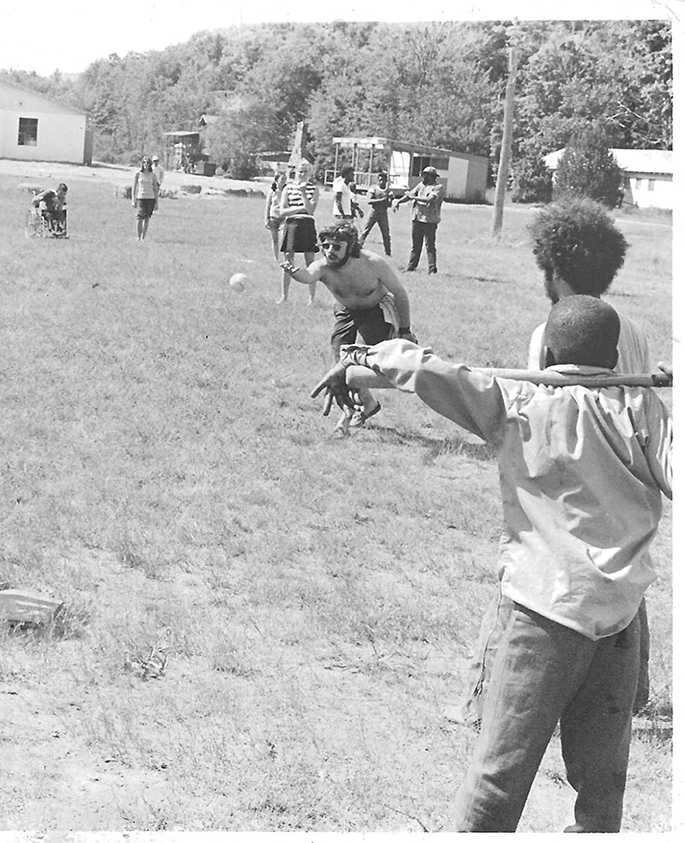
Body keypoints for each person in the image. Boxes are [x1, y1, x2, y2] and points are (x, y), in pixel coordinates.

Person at [311, 296, 671, 832]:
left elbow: (429, 368)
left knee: (499, 775)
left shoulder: (517, 400)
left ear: (546, 349)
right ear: (616, 356)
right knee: (602, 786)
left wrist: (363, 356)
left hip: (542, 617)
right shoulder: (643, 410)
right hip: (620, 618)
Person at [446, 198, 656, 729]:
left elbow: (541, 410)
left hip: (568, 476)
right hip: (625, 473)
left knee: (522, 579)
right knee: (621, 576)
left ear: (555, 269)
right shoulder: (630, 327)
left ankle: (484, 697)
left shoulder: (551, 333)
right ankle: (628, 692)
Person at [283, 222, 416, 430]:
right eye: (326, 246)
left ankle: (347, 417)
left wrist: (406, 330)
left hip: (376, 311)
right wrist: (294, 272)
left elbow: (399, 293)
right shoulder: (322, 266)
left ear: (351, 246)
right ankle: (366, 405)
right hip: (346, 312)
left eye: (337, 247)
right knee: (340, 363)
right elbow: (307, 276)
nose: (330, 251)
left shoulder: (372, 262)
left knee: (356, 362)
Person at [274, 160, 320, 305]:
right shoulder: (288, 188)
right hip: (292, 224)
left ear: (309, 173)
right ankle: (284, 296)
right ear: (296, 171)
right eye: (300, 171)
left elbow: (311, 210)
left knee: (310, 261)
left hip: (307, 224)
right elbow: (282, 211)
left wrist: (303, 193)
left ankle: (311, 298)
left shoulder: (314, 189)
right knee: (288, 260)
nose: (302, 174)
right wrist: (300, 209)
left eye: (306, 171)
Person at [393, 165, 445, 274]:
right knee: (416, 245)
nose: (422, 177)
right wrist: (399, 201)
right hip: (417, 218)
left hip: (429, 220)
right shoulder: (421, 185)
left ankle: (432, 269)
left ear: (432, 177)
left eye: (425, 175)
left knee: (429, 245)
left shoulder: (438, 187)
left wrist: (414, 198)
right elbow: (410, 195)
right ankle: (411, 267)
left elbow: (429, 199)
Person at [360, 170, 392, 256]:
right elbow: (369, 200)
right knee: (365, 231)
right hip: (374, 212)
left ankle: (388, 252)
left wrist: (390, 199)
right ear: (377, 180)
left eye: (384, 180)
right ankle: (358, 247)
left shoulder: (388, 190)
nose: (382, 182)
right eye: (380, 180)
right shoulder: (373, 188)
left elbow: (389, 205)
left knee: (386, 233)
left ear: (386, 181)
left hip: (383, 213)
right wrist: (381, 200)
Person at [132, 156, 159, 241]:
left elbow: (155, 189)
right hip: (141, 197)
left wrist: (156, 202)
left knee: (147, 218)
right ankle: (138, 237)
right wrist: (133, 199)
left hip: (150, 198)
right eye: (144, 162)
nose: (146, 164)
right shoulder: (138, 174)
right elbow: (134, 187)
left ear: (150, 164)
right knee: (139, 217)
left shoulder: (153, 175)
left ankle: (143, 237)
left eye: (147, 162)